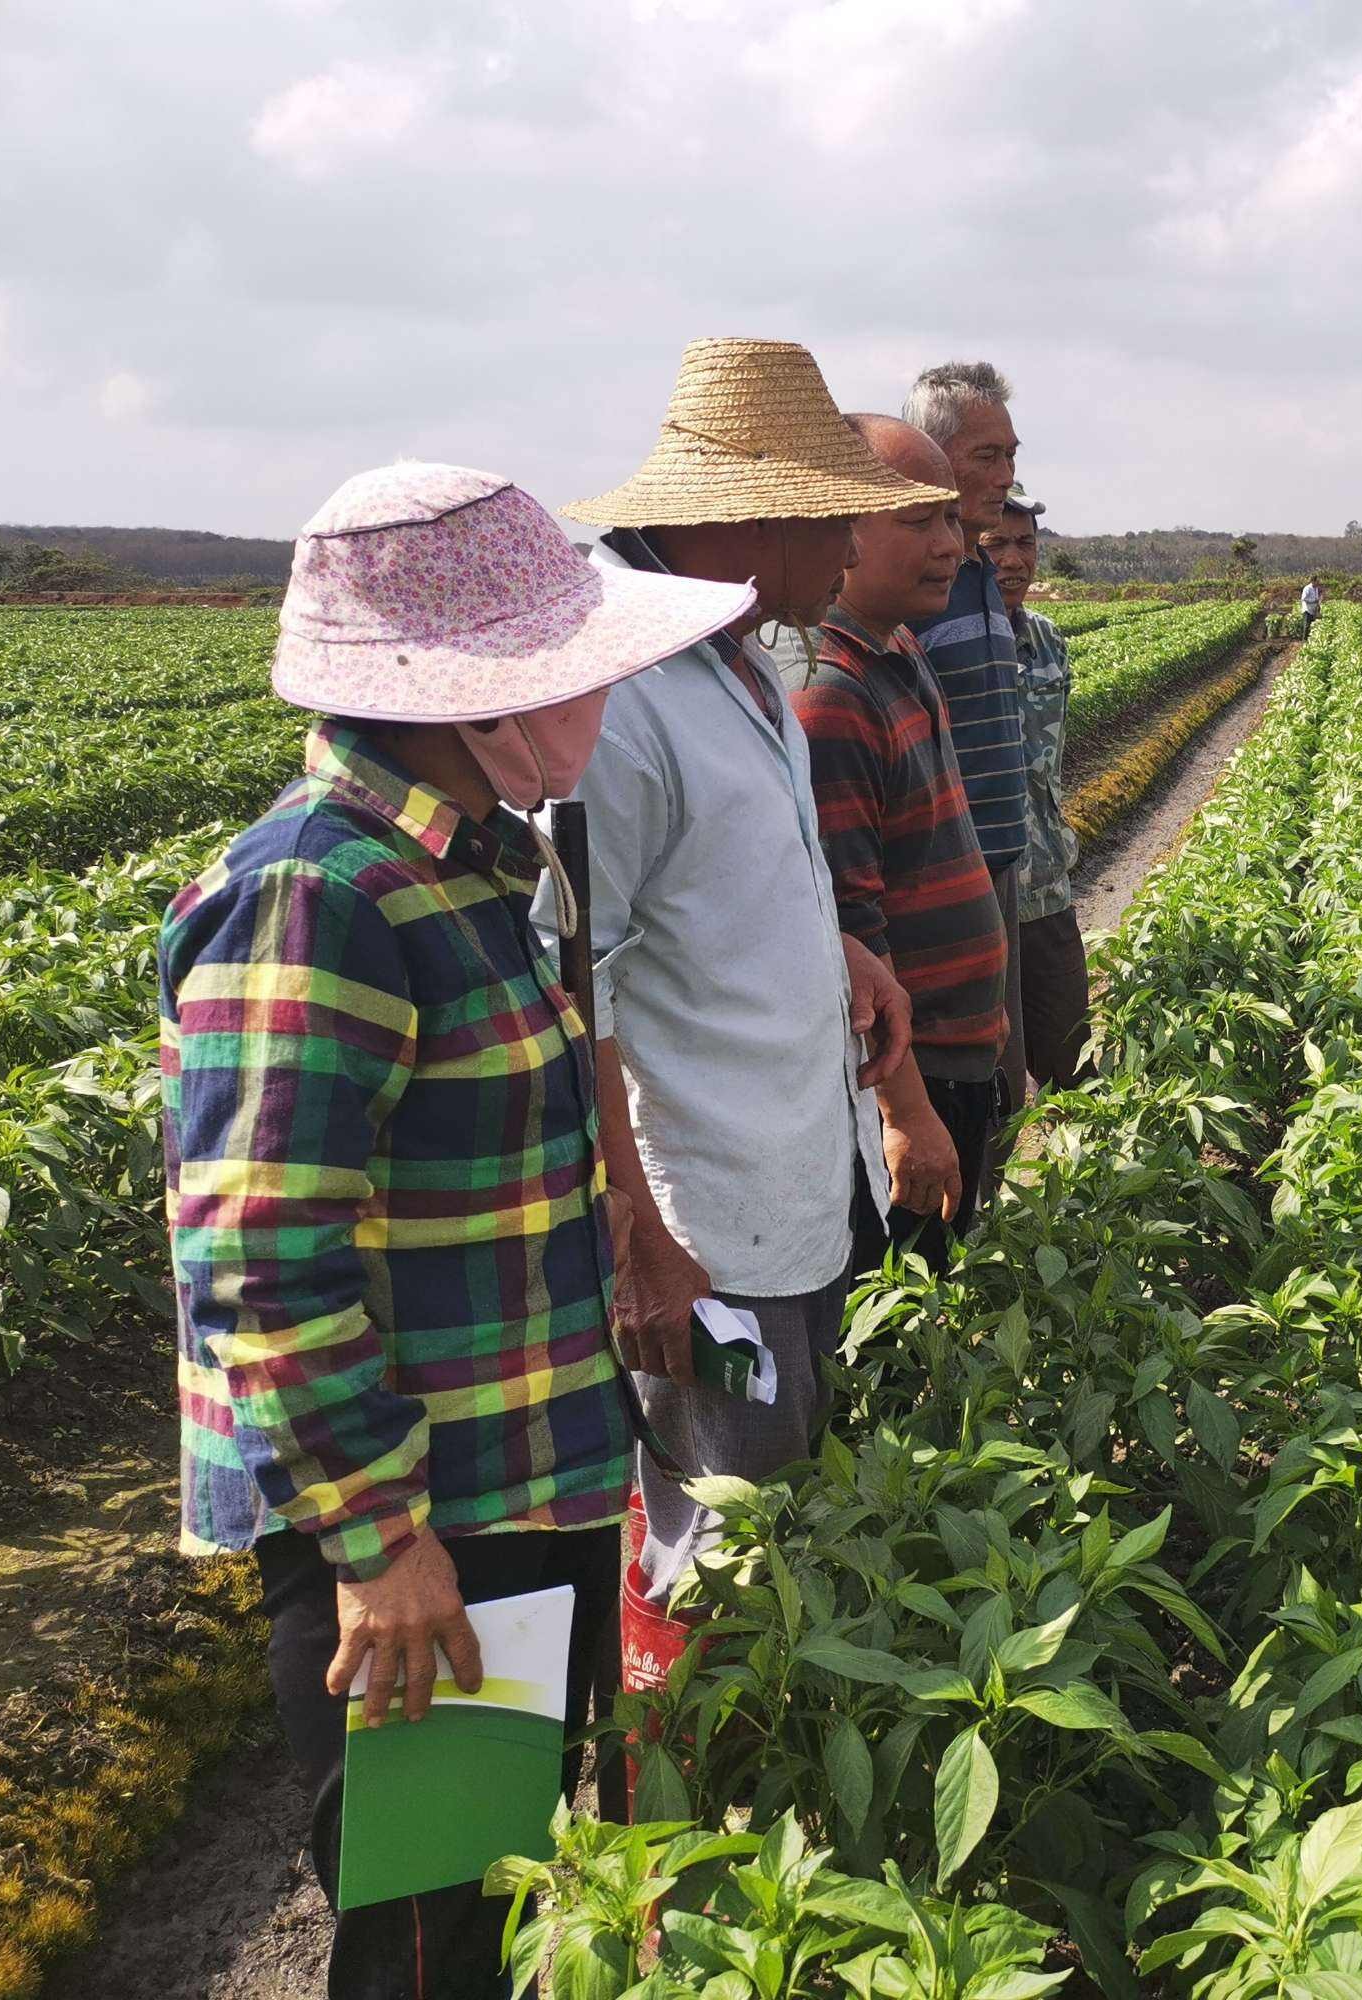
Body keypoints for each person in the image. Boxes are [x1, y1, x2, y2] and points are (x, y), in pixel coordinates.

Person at [160, 462, 754, 1996]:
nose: (601, 703)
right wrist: (378, 1540)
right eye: (576, 672)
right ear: (477, 700)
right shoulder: (320, 891)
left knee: (494, 1883)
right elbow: (256, 1258)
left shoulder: (473, 863)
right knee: (432, 1935)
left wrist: (620, 1235)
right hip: (431, 1532)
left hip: (509, 1486)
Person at [560, 337, 943, 1594]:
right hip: (708, 1230)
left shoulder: (743, 660)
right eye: (835, 517)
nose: (853, 547)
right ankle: (696, 1782)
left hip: (796, 1182)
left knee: (791, 1530)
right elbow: (582, 982)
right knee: (721, 1563)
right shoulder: (617, 706)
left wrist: (836, 947)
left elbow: (716, 884)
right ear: (755, 516)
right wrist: (640, 1235)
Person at [798, 415, 1016, 1272]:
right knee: (899, 1321)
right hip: (910, 1069)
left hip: (954, 1056)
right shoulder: (828, 696)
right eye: (918, 520)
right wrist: (906, 1113)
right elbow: (849, 935)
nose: (952, 546)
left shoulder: (896, 653)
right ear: (839, 525)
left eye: (951, 520)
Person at [904, 360, 1032, 1113]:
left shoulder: (980, 566)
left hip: (997, 867)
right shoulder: (908, 581)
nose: (1007, 475)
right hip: (940, 886)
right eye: (987, 456)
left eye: (1012, 454)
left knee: (999, 1083)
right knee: (958, 1088)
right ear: (929, 456)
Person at [981, 485, 1093, 1090]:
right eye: (994, 542)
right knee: (991, 1095)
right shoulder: (939, 645)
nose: (1013, 559)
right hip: (979, 906)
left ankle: (1085, 1185)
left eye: (1025, 543)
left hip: (1047, 892)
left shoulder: (1048, 640)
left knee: (1072, 1066)